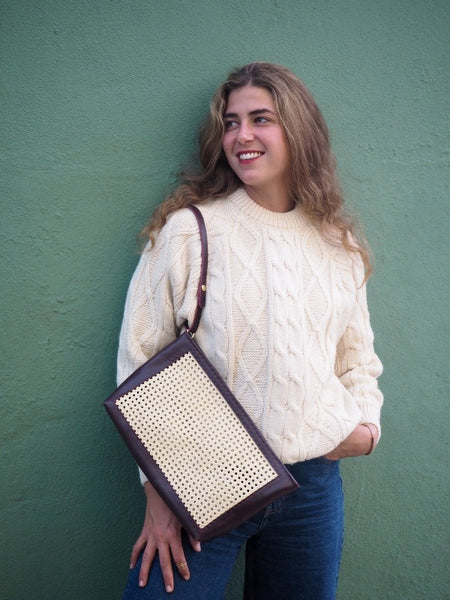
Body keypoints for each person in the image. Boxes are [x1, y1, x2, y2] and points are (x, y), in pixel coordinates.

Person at [117, 62, 383, 600]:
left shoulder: (338, 245)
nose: (242, 136)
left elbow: (357, 362)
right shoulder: (190, 230)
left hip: (312, 488)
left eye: (261, 119)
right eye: (231, 122)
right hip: (202, 478)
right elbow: (139, 362)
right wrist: (159, 499)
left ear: (298, 131)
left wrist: (364, 431)